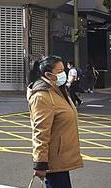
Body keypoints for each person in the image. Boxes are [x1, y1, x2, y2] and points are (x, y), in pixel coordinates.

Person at [28, 55, 83, 188]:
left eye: (63, 70)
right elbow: (40, 132)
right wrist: (40, 163)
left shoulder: (58, 91)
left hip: (61, 158)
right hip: (53, 161)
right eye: (59, 71)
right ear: (48, 75)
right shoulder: (42, 96)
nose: (63, 74)